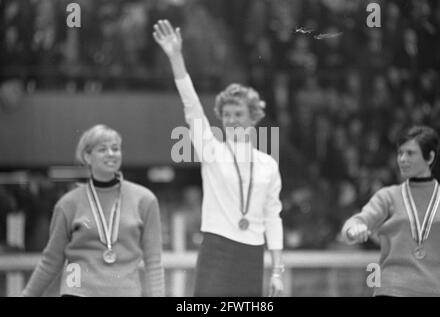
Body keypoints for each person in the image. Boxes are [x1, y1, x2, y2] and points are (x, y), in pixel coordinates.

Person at [153, 20, 284, 297]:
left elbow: (273, 217)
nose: (232, 120)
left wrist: (277, 271)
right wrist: (176, 58)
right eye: (226, 115)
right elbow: (192, 107)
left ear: (253, 119)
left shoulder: (268, 165)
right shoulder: (211, 150)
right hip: (216, 250)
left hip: (252, 254)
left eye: (238, 114)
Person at [22, 124, 164, 297]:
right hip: (77, 292)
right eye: (102, 149)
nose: (111, 154)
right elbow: (51, 260)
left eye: (115, 148)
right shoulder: (68, 204)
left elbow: (154, 260)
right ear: (87, 156)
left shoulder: (144, 200)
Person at [341, 125, 440, 296]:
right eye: (400, 153)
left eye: (410, 153)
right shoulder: (388, 196)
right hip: (392, 289)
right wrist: (353, 229)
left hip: (438, 290)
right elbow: (357, 221)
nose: (402, 159)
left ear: (430, 157)